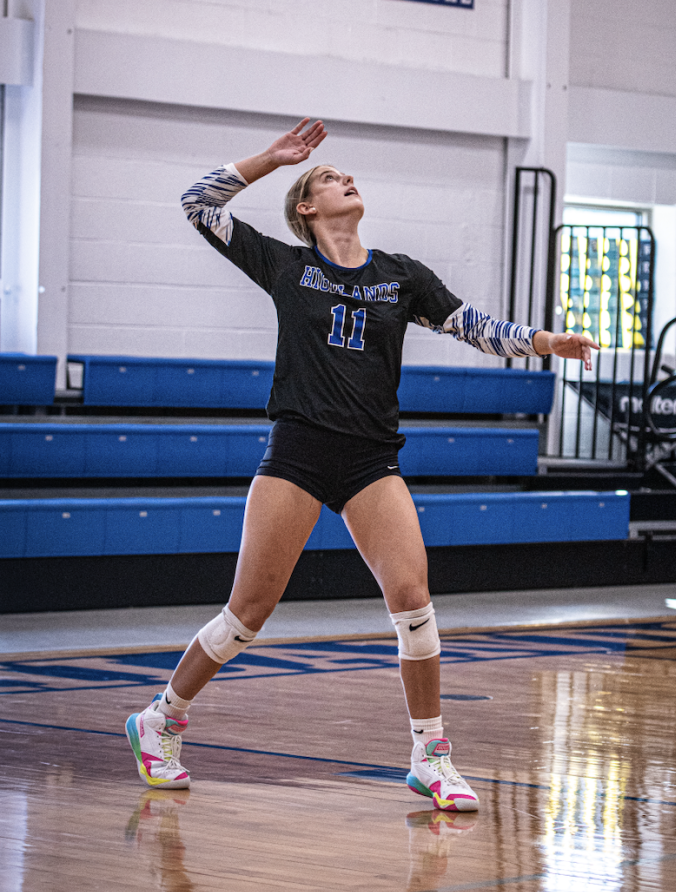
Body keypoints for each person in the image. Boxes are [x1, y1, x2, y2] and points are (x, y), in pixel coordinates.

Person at [125, 118, 597, 811]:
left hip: (372, 459)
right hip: (298, 452)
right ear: (306, 210)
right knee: (248, 613)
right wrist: (272, 159)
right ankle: (160, 718)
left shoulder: (401, 276)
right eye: (326, 178)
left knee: (414, 600)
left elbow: (476, 327)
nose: (344, 178)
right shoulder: (286, 265)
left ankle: (431, 755)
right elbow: (198, 203)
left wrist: (546, 341)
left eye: (343, 174)